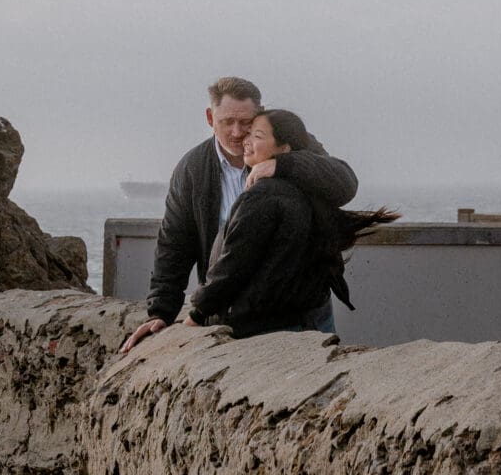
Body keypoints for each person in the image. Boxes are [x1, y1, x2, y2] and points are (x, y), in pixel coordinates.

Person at [119, 76, 359, 353]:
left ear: (260, 114)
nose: (236, 132)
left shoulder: (288, 141)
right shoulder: (192, 169)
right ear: (210, 118)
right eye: (226, 122)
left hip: (304, 309)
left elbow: (345, 182)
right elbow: (174, 245)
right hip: (236, 313)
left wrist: (283, 165)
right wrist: (160, 312)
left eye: (246, 123)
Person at [188, 108, 397, 340]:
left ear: (284, 149)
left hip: (269, 325)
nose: (243, 139)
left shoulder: (263, 195)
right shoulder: (305, 187)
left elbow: (234, 265)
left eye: (256, 135)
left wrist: (197, 314)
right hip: (304, 316)